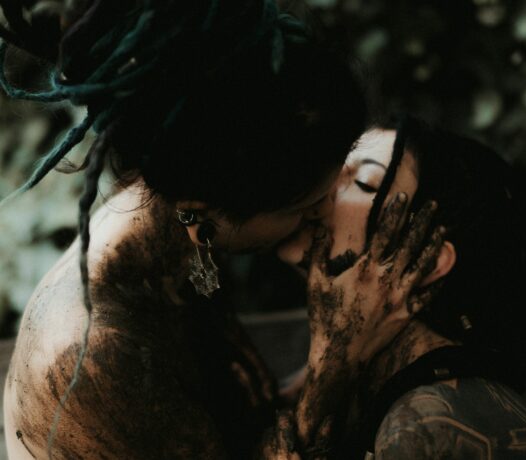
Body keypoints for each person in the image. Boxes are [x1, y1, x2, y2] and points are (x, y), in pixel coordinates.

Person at [0, 2, 441, 458]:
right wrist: (337, 359)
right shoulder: (103, 354)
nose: (327, 213)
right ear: (201, 213)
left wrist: (335, 356)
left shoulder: (180, 226)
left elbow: (237, 421)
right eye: (305, 208)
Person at [277, 117, 526, 459]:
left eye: (364, 183)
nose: (322, 193)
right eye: (335, 170)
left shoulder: (430, 423)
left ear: (428, 260)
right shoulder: (350, 387)